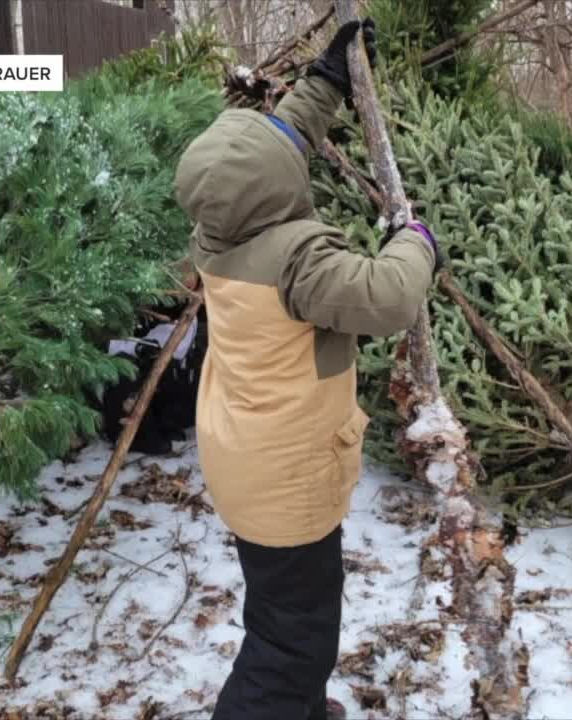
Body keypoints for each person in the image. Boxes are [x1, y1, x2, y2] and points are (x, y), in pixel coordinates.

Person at [173, 18, 442, 720]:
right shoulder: (297, 260)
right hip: (286, 480)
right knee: (292, 646)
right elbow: (388, 296)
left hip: (248, 460)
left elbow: (279, 143)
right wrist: (417, 241)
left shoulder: (217, 230)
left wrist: (328, 78)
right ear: (274, 188)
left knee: (286, 617)